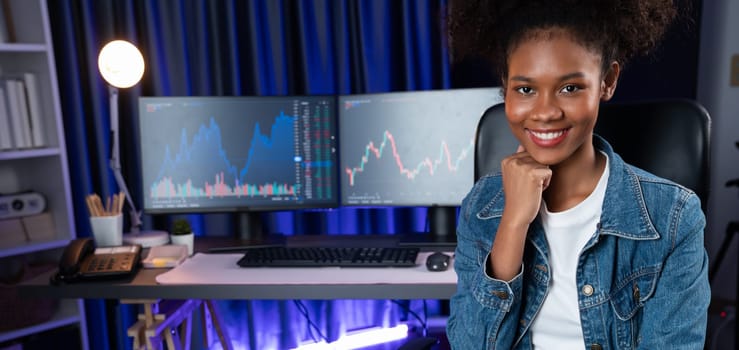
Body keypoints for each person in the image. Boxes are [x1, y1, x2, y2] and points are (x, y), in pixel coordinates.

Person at [445, 0, 710, 349]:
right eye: (525, 89)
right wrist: (512, 223)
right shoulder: (481, 207)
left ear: (608, 81)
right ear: (505, 85)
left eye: (570, 88)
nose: (545, 112)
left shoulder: (675, 217)